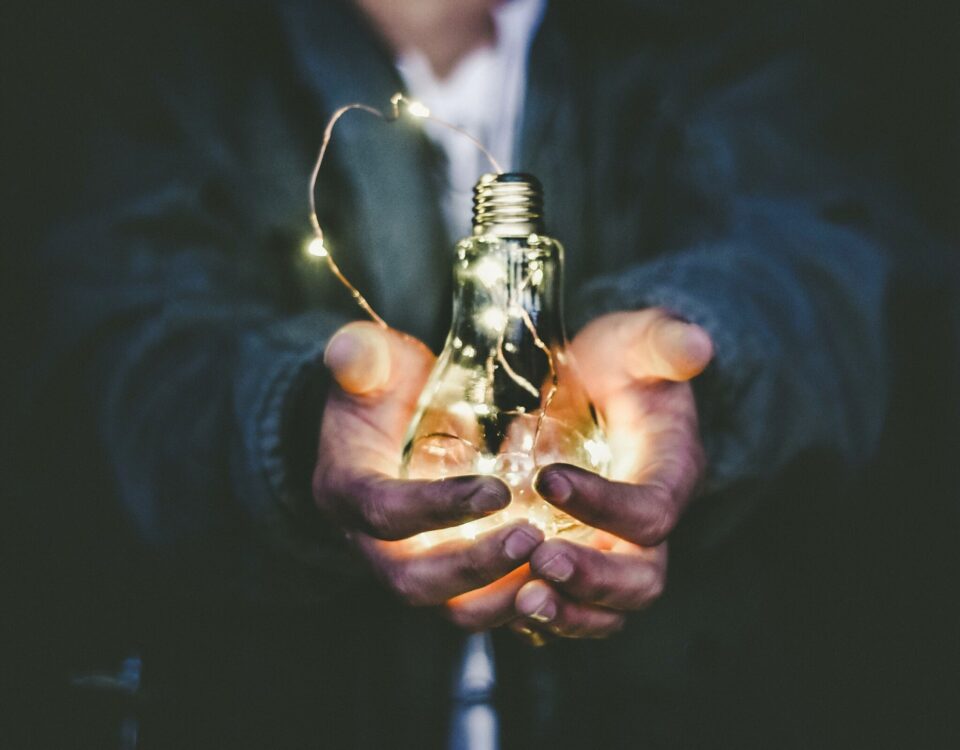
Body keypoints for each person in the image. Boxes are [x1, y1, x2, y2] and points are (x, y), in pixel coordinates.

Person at [8, 0, 958, 747]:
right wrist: (295, 428)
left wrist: (699, 365)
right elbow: (98, 346)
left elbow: (844, 258)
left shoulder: (710, 36)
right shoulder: (177, 59)